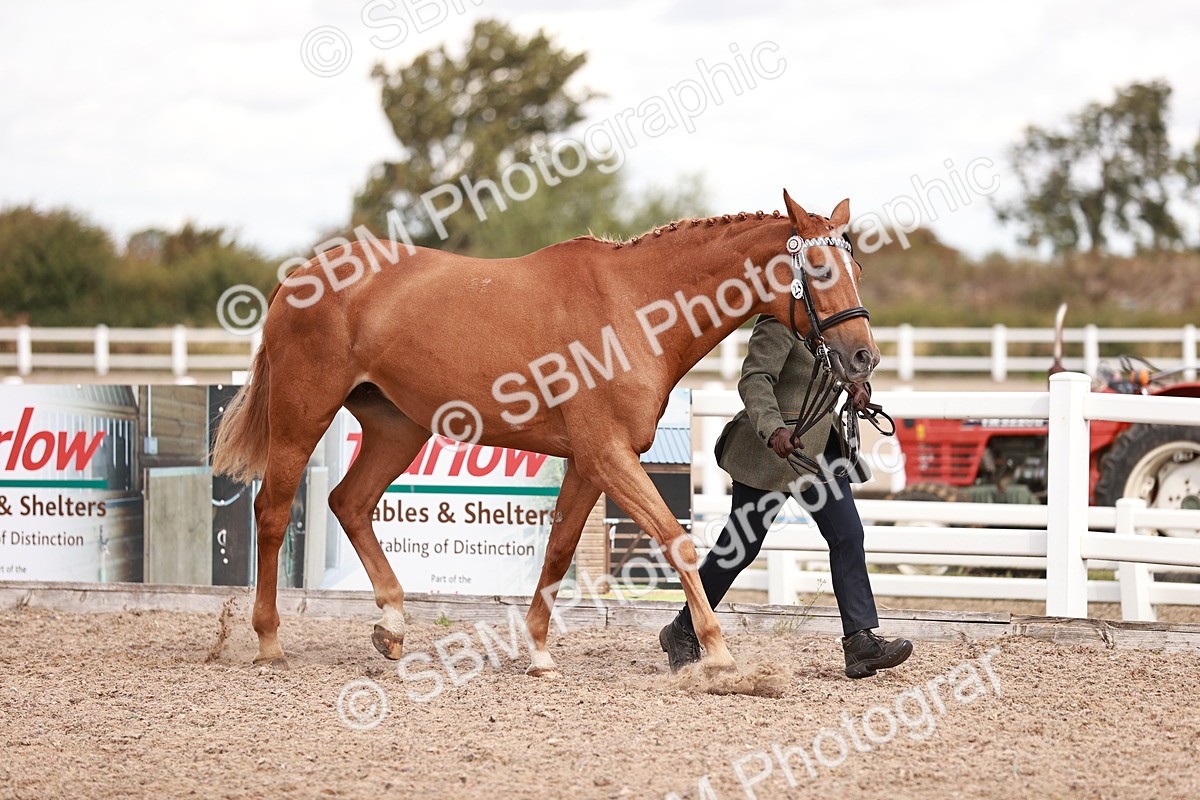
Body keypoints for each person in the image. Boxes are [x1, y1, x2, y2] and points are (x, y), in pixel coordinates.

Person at [660, 314, 913, 679]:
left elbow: (845, 367)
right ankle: (684, 627)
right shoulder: (779, 323)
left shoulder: (834, 324)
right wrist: (773, 429)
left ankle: (860, 642)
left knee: (848, 535)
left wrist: (860, 388)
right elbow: (755, 380)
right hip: (773, 452)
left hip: (821, 451)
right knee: (740, 548)